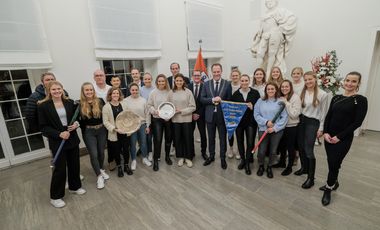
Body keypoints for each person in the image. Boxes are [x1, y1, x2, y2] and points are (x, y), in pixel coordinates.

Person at [320, 72, 368, 206]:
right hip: (329, 137)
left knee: (334, 163)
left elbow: (357, 122)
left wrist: (339, 137)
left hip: (343, 138)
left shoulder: (360, 100)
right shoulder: (336, 97)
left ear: (358, 84)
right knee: (332, 162)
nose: (349, 83)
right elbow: (329, 116)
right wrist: (325, 133)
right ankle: (334, 181)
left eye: (353, 81)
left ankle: (328, 188)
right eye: (347, 80)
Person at [38, 81, 85, 208]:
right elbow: (43, 127)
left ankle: (74, 187)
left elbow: (77, 118)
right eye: (54, 89)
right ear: (49, 91)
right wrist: (59, 134)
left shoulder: (70, 103)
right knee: (59, 169)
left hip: (71, 138)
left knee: (74, 164)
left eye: (59, 89)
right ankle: (55, 197)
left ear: (62, 89)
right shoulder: (43, 106)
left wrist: (76, 125)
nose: (57, 91)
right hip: (57, 140)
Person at [295, 71, 328, 189]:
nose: (308, 82)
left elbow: (324, 112)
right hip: (301, 121)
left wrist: (321, 128)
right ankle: (304, 168)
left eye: (310, 79)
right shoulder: (301, 92)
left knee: (309, 149)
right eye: (306, 80)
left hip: (313, 123)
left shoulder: (322, 94)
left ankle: (311, 178)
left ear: (315, 79)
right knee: (300, 146)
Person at [250, 0, 297, 75]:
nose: (269, 2)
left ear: (276, 2)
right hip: (265, 35)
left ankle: (268, 73)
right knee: (260, 53)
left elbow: (292, 18)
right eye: (267, 1)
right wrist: (256, 42)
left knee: (272, 53)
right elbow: (261, 29)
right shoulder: (264, 14)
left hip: (275, 35)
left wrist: (280, 29)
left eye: (271, 1)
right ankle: (259, 72)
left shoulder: (280, 11)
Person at [200, 63, 232, 169]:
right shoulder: (206, 84)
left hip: (222, 116)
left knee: (222, 138)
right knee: (211, 138)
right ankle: (212, 156)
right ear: (211, 72)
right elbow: (202, 99)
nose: (216, 73)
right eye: (214, 72)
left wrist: (222, 101)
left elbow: (229, 100)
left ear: (221, 71)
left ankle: (223, 158)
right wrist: (212, 100)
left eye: (218, 71)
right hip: (209, 116)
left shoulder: (227, 84)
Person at [78, 82, 109, 189]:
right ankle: (99, 176)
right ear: (83, 92)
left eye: (91, 89)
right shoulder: (79, 104)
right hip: (89, 132)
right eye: (87, 90)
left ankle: (100, 169)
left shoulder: (100, 101)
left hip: (101, 130)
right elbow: (77, 120)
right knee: (94, 154)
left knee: (101, 152)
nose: (89, 92)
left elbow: (106, 114)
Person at [254, 82, 288, 178]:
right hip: (263, 129)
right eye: (268, 89)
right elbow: (256, 114)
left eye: (272, 89)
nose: (270, 91)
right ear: (266, 91)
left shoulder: (280, 102)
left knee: (273, 151)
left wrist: (274, 128)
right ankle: (261, 165)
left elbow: (284, 117)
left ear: (276, 90)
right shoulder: (260, 101)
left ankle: (269, 166)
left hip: (276, 131)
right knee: (262, 150)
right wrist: (266, 122)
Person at [231, 74, 260, 175]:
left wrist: (253, 107)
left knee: (250, 142)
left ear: (249, 81)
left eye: (246, 80)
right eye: (242, 81)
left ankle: (247, 163)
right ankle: (243, 160)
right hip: (239, 123)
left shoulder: (255, 93)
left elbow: (259, 108)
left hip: (251, 122)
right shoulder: (235, 94)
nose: (244, 83)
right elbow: (232, 108)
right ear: (239, 81)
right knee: (239, 141)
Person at [102, 87, 133, 177]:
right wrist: (115, 129)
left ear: (119, 95)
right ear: (110, 95)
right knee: (116, 151)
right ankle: (119, 167)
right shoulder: (106, 107)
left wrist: (128, 127)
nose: (115, 95)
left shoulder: (124, 104)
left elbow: (128, 116)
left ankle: (126, 166)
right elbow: (105, 122)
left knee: (126, 150)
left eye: (117, 93)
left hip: (125, 132)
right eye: (113, 93)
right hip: (114, 133)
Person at [273, 80, 301, 175]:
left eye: (286, 86)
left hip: (291, 126)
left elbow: (294, 115)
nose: (284, 88)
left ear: (290, 87)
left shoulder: (295, 97)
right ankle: (282, 162)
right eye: (282, 87)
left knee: (290, 147)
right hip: (281, 126)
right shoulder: (279, 97)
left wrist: (286, 103)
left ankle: (289, 167)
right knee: (282, 146)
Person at [169, 74, 196, 167]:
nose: (179, 82)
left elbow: (193, 107)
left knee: (187, 139)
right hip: (175, 120)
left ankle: (188, 158)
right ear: (174, 82)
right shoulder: (171, 93)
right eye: (177, 81)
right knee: (178, 139)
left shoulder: (188, 92)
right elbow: (168, 106)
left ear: (183, 81)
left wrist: (181, 111)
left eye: (181, 80)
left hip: (187, 119)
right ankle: (180, 157)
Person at [147, 74, 173, 171]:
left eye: (163, 81)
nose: (161, 83)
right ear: (157, 82)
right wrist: (154, 111)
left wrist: (169, 116)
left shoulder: (170, 92)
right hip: (157, 119)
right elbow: (149, 105)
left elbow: (172, 105)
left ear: (165, 82)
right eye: (159, 81)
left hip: (168, 119)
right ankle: (156, 160)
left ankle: (167, 157)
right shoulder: (153, 93)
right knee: (157, 140)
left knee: (168, 138)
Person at [124, 83, 152, 170]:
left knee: (143, 143)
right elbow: (124, 115)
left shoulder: (143, 100)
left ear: (138, 90)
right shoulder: (125, 101)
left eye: (136, 90)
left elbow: (147, 114)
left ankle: (144, 158)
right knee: (132, 144)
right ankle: (133, 160)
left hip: (142, 124)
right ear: (130, 91)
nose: (135, 91)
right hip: (131, 126)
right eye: (133, 90)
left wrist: (147, 125)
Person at [189, 70, 208, 161]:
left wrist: (198, 113)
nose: (196, 77)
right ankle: (191, 152)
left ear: (201, 76)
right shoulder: (188, 87)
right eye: (195, 75)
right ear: (192, 76)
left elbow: (205, 102)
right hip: (190, 115)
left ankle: (204, 152)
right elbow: (186, 102)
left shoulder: (205, 87)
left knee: (203, 134)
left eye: (198, 75)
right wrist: (192, 113)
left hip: (201, 115)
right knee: (190, 135)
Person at [140, 72, 156, 161]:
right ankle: (150, 152)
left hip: (154, 115)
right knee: (148, 137)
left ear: (151, 79)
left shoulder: (155, 89)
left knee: (156, 136)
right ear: (143, 80)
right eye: (145, 79)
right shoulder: (140, 90)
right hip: (145, 116)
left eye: (149, 79)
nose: (147, 80)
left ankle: (155, 152)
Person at [228, 69, 241, 160]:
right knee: (230, 132)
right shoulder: (228, 86)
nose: (235, 77)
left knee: (239, 133)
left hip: (240, 113)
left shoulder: (242, 86)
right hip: (229, 113)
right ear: (231, 77)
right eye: (233, 75)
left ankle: (238, 150)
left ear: (239, 76)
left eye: (236, 75)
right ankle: (231, 148)